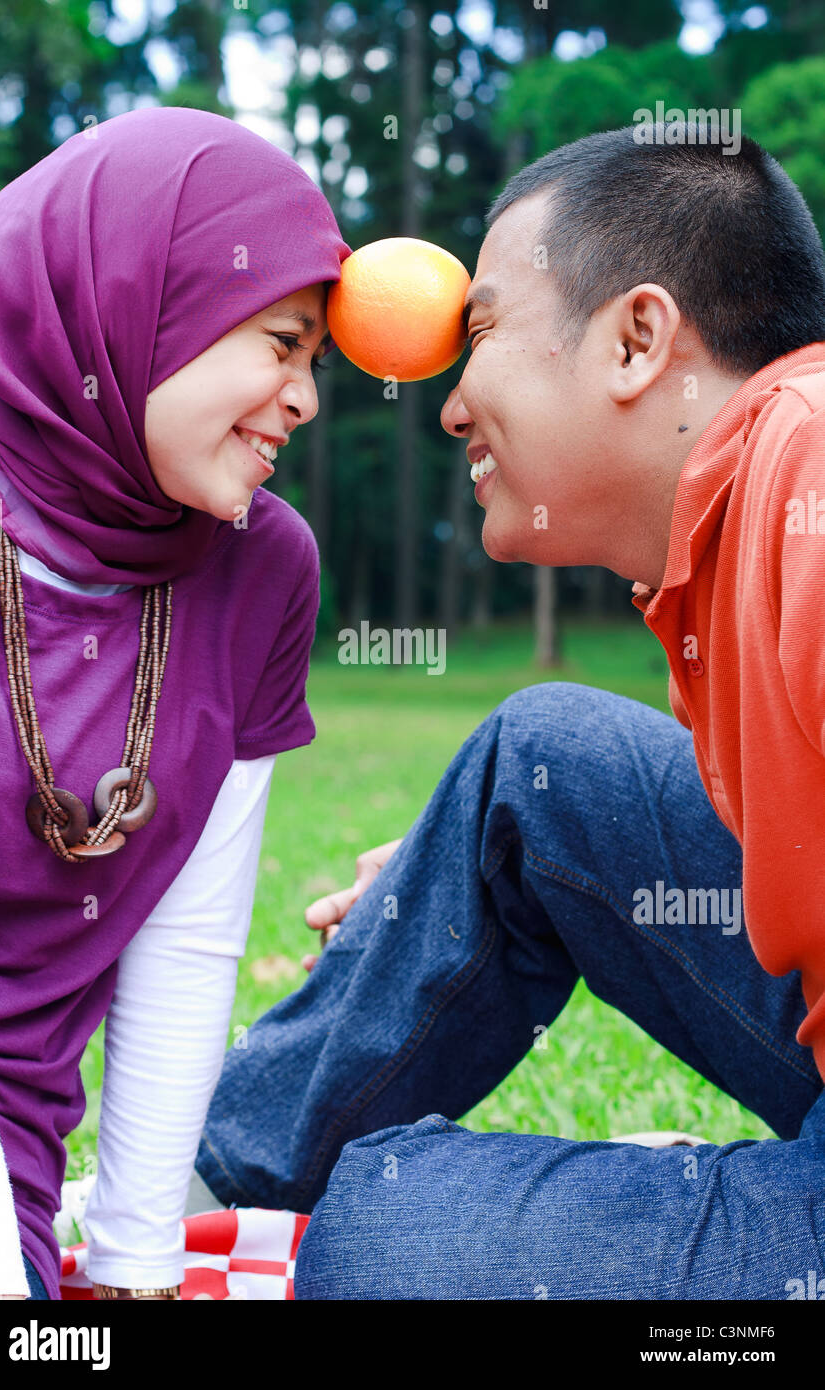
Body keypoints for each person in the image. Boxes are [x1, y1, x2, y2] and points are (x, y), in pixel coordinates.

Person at [194, 124, 825, 1299]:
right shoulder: (727, 531)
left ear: (637, 337)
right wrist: (439, 872)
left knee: (389, 1240)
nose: (446, 407)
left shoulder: (809, 475)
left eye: (480, 331)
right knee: (540, 765)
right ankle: (209, 1183)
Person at [0, 105, 350, 1299]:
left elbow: (185, 938)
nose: (304, 400)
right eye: (280, 343)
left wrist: (133, 1269)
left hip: (3, 1172)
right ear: (138, 300)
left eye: (317, 364)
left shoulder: (262, 566)